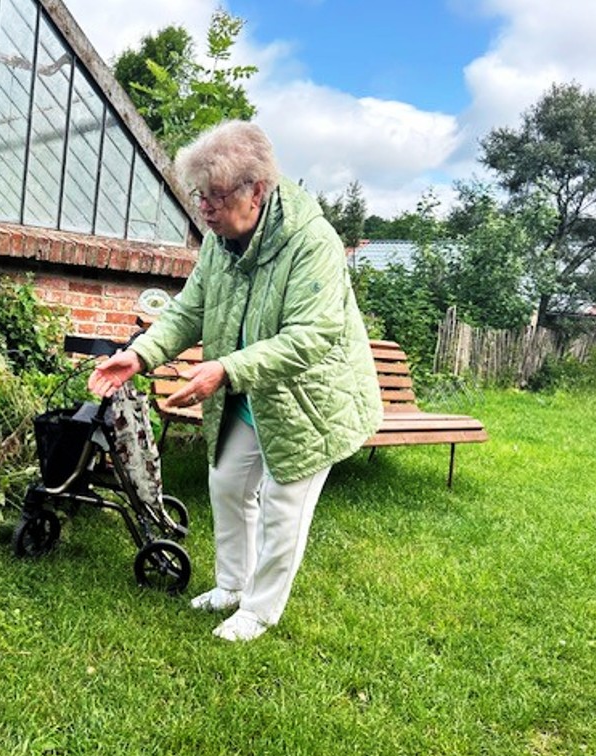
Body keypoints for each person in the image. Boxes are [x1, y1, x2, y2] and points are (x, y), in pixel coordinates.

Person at [88, 120, 383, 642]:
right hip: (250, 391)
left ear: (257, 191)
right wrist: (138, 356)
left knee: (282, 505)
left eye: (216, 196)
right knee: (226, 483)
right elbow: (190, 310)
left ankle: (259, 611)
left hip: (311, 399)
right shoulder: (220, 243)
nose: (204, 208)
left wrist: (226, 369)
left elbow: (311, 336)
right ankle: (231, 586)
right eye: (199, 195)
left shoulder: (312, 242)